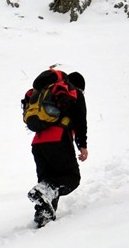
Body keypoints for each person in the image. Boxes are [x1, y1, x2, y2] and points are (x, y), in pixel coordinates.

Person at [27, 70, 88, 227]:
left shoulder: (46, 93)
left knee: (48, 181)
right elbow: (80, 121)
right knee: (71, 178)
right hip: (58, 140)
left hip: (38, 143)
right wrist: (82, 145)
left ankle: (43, 215)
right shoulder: (74, 93)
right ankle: (43, 197)